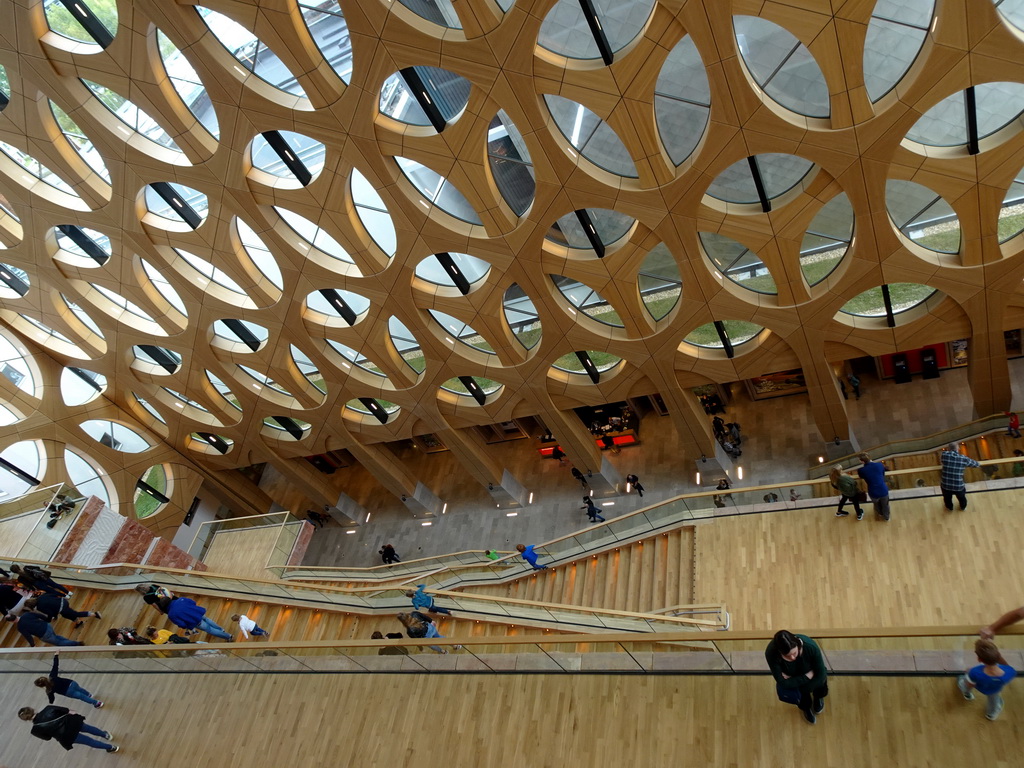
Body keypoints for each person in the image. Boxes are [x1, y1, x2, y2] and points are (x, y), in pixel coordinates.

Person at [765, 629, 828, 725]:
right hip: (808, 677)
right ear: (779, 652)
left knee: (820, 688)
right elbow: (783, 683)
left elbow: (821, 675)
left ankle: (817, 698)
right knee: (803, 701)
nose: (792, 658)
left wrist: (797, 684)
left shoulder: (810, 647)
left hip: (802, 682)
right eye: (787, 656)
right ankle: (806, 708)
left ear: (799, 645)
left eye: (794, 653)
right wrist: (808, 676)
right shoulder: (771, 653)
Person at [957, 639, 1016, 721]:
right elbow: (1007, 668)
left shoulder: (975, 672)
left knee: (965, 682)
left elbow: (971, 683)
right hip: (994, 689)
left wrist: (969, 672)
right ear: (999, 655)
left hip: (979, 685)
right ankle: (991, 714)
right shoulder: (1010, 671)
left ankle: (967, 694)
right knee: (994, 701)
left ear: (979, 659)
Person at [18, 705, 118, 753]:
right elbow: (66, 710)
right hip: (73, 723)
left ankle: (111, 748)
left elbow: (47, 738)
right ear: (31, 709)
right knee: (89, 729)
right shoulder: (48, 708)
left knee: (90, 742)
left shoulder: (35, 730)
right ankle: (106, 735)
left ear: (26, 719)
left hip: (67, 736)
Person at [35, 651, 103, 708]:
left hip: (68, 692)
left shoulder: (49, 690)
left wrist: (50, 702)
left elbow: (52, 700)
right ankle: (89, 695)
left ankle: (97, 703)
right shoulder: (52, 676)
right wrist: (56, 655)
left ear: (41, 686)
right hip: (72, 683)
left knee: (82, 697)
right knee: (79, 689)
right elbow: (55, 666)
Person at [155, 596, 233, 641]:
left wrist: (184, 626)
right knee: (208, 620)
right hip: (198, 613)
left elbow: (182, 624)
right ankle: (221, 629)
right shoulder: (181, 599)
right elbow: (193, 602)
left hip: (195, 622)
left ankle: (228, 636)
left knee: (210, 630)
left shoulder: (171, 615)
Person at [939, 442, 981, 511]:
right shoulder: (963, 458)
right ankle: (963, 507)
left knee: (947, 498)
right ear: (958, 449)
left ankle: (950, 508)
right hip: (958, 485)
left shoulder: (944, 455)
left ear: (948, 449)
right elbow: (976, 464)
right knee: (962, 498)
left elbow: (943, 460)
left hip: (946, 485)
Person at [24, 594, 101, 629]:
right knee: (67, 614)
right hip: (63, 601)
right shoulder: (42, 596)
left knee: (75, 613)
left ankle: (94, 614)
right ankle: (78, 622)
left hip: (62, 608)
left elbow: (50, 613)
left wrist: (49, 619)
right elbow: (54, 595)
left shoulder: (40, 607)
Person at [16, 612, 82, 647]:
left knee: (58, 642)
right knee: (56, 637)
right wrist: (47, 620)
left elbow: (28, 636)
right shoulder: (26, 614)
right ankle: (69, 642)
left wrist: (32, 644)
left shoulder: (20, 627)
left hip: (43, 634)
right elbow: (39, 615)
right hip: (47, 626)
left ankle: (75, 643)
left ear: (12, 621)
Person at [856, 452, 890, 521]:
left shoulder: (861, 470)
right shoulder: (880, 465)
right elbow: (882, 474)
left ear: (862, 461)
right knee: (885, 505)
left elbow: (861, 476)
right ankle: (886, 517)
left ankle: (880, 513)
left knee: (876, 504)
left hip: (873, 491)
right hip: (883, 489)